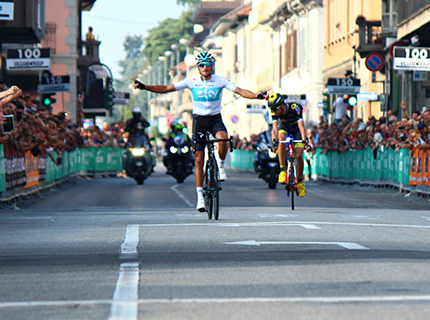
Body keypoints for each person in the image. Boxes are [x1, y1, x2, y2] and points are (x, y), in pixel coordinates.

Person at [131, 51, 267, 212]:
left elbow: (240, 91)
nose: (205, 67)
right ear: (197, 67)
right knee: (198, 160)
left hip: (215, 119)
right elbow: (167, 88)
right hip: (199, 121)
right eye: (201, 65)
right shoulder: (192, 81)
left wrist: (257, 96)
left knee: (223, 140)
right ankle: (200, 198)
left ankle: (221, 167)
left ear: (212, 66)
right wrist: (145, 87)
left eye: (208, 64)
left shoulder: (219, 80)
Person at [266, 93, 310, 197]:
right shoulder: (274, 111)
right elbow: (274, 129)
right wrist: (274, 142)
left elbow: (302, 127)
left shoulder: (295, 108)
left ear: (282, 105)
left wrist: (305, 142)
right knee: (281, 138)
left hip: (297, 130)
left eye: (276, 110)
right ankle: (282, 170)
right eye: (272, 110)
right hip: (284, 127)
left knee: (299, 155)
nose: (274, 112)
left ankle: (300, 181)